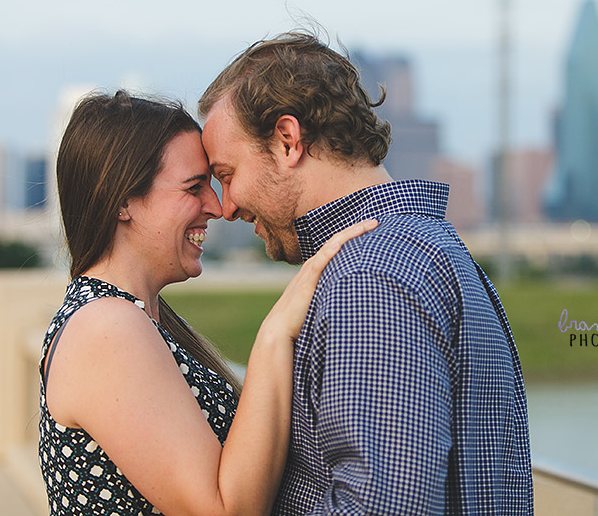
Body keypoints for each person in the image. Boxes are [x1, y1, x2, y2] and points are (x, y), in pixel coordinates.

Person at [198, 32, 534, 515]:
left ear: (288, 141)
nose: (226, 207)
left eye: (226, 175)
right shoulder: (425, 247)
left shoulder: (370, 279)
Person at [39, 90, 376, 516]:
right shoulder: (106, 328)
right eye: (194, 186)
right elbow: (222, 511)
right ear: (123, 200)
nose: (217, 206)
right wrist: (275, 335)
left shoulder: (134, 317)